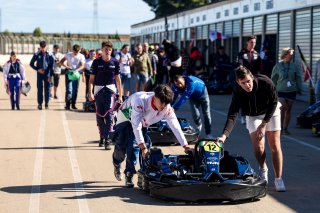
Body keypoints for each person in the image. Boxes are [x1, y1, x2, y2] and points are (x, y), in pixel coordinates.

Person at [216, 65, 286, 192]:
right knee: (258, 146)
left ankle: (278, 178)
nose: (247, 85)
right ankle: (263, 168)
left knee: (275, 145)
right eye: (243, 83)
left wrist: (264, 124)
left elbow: (274, 102)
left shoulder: (266, 82)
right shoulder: (237, 91)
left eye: (248, 81)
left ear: (252, 77)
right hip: (253, 115)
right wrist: (224, 135)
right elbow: (232, 114)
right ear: (238, 82)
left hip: (271, 111)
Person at [112, 84, 191, 188]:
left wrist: (185, 145)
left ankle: (129, 174)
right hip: (126, 118)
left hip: (143, 122)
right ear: (155, 97)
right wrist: (143, 146)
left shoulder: (166, 107)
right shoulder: (140, 100)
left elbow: (175, 127)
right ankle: (116, 163)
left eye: (166, 103)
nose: (163, 106)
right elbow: (136, 126)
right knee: (121, 148)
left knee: (133, 147)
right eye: (161, 102)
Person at [89, 41, 123, 149]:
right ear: (102, 50)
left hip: (110, 91)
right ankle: (102, 137)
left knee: (109, 114)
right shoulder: (96, 62)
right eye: (105, 49)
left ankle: (107, 138)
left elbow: (118, 79)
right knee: (100, 115)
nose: (108, 51)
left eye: (109, 49)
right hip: (98, 90)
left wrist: (120, 95)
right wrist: (90, 93)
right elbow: (91, 79)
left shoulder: (115, 62)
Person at [271, 47, 302, 135]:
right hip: (280, 90)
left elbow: (298, 78)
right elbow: (273, 78)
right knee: (282, 107)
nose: (292, 56)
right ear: (285, 55)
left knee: (289, 110)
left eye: (292, 54)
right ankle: (279, 127)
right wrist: (272, 90)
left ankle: (285, 128)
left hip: (292, 90)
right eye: (290, 54)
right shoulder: (278, 66)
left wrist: (299, 88)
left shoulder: (294, 66)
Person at [237, 35, 262, 124]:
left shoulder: (257, 54)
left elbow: (260, 68)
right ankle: (244, 115)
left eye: (254, 42)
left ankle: (252, 114)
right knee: (244, 98)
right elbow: (240, 66)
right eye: (251, 42)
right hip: (244, 79)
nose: (253, 44)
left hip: (254, 80)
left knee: (253, 97)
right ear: (247, 42)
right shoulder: (242, 54)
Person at [29, 40, 54, 110]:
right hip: (40, 74)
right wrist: (38, 69)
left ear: (46, 47)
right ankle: (40, 104)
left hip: (47, 74)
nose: (43, 49)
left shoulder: (50, 54)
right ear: (40, 47)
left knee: (47, 89)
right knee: (39, 89)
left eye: (44, 47)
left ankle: (46, 104)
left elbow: (52, 66)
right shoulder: (37, 54)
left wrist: (50, 75)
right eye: (41, 47)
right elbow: (31, 63)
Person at [60, 44, 85, 110]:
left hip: (76, 74)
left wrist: (77, 70)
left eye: (77, 52)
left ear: (79, 50)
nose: (75, 53)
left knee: (75, 90)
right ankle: (67, 105)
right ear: (72, 50)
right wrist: (67, 66)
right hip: (69, 73)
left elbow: (82, 66)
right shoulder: (68, 54)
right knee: (69, 89)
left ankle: (73, 104)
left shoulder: (81, 56)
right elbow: (61, 62)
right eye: (74, 52)